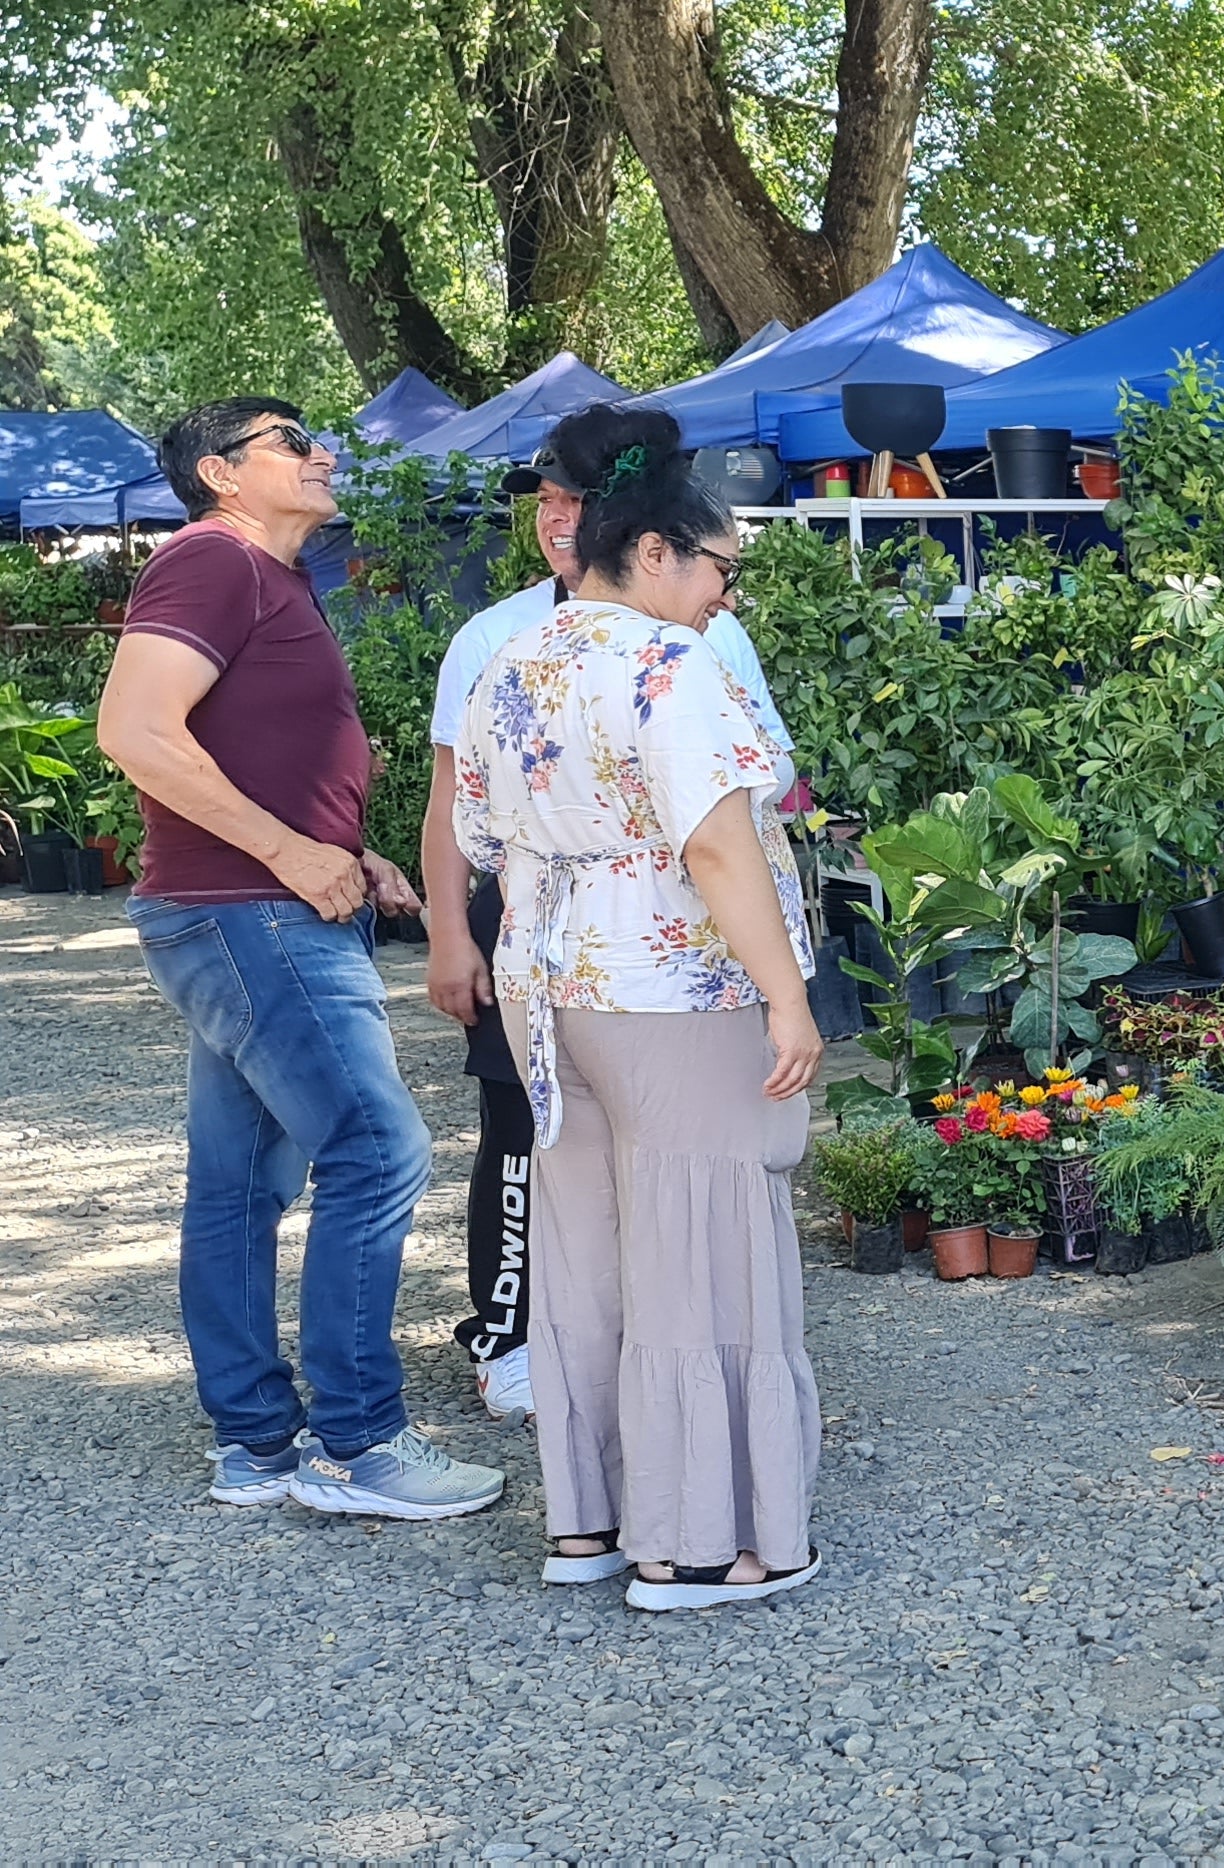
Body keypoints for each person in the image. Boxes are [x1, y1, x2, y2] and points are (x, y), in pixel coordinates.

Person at [96, 399, 505, 1521]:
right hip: (253, 913)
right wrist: (287, 852)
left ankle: (256, 1445)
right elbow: (134, 730)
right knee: (377, 1148)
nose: (322, 454)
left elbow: (253, 748)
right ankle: (361, 1442)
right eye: (291, 440)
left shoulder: (272, 578)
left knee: (237, 1183)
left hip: (254, 902)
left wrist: (347, 848)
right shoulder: (210, 562)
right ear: (223, 474)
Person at [454, 421, 824, 1608]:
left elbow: (472, 831)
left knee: (589, 1243)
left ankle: (595, 1521)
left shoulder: (516, 657)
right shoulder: (672, 662)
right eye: (722, 566)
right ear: (658, 551)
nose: (726, 593)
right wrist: (788, 993)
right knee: (703, 1242)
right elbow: (716, 841)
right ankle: (701, 1540)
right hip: (671, 977)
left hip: (549, 980)